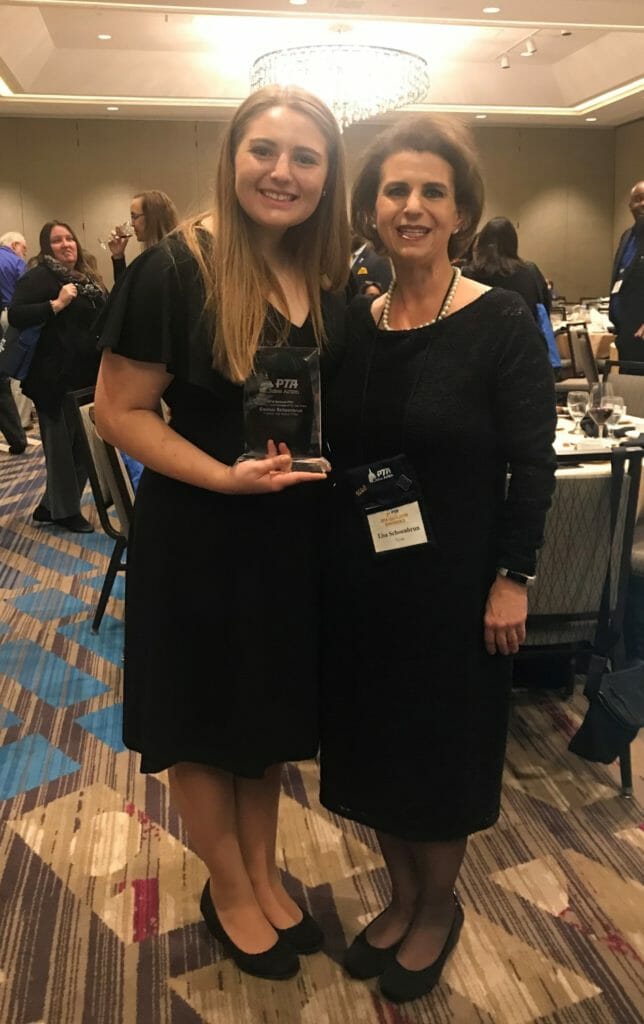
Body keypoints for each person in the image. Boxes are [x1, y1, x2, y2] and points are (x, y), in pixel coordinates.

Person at [94, 85, 349, 982]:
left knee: (264, 715)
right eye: (265, 151)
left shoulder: (319, 270)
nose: (282, 173)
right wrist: (222, 477)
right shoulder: (172, 268)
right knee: (204, 720)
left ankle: (264, 871)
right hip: (203, 533)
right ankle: (230, 885)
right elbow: (116, 410)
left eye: (306, 157)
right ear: (232, 156)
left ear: (328, 175)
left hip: (287, 539)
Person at [319, 116, 557, 1004]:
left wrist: (514, 576)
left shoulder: (497, 322)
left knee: (440, 755)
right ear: (372, 209)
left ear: (460, 212)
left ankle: (437, 908)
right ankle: (402, 893)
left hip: (459, 585)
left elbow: (534, 465)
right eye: (394, 191)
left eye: (431, 192)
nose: (411, 207)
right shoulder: (358, 320)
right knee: (375, 746)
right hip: (364, 578)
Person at [8, 222, 107, 532]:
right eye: (57, 240)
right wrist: (56, 304)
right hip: (55, 379)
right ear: (45, 246)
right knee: (63, 451)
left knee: (85, 449)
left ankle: (51, 506)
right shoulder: (40, 277)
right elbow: (15, 314)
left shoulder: (87, 276)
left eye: (70, 238)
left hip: (87, 377)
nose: (66, 244)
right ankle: (64, 511)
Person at [463, 216, 551, 320]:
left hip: (478, 334)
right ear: (513, 243)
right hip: (523, 333)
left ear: (482, 242)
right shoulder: (530, 271)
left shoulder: (469, 274)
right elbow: (544, 306)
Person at [107, 190, 179, 281]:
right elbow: (126, 291)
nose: (132, 224)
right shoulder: (161, 253)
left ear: (152, 217)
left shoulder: (165, 259)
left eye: (134, 217)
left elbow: (128, 293)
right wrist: (118, 256)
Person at [609, 180, 644, 366]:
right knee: (627, 390)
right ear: (630, 205)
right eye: (638, 199)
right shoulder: (627, 236)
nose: (643, 204)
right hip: (625, 332)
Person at [0, 231, 29, 454]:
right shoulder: (16, 262)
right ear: (15, 245)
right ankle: (22, 420)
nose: (25, 253)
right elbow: (27, 292)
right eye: (24, 248)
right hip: (13, 316)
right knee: (18, 364)